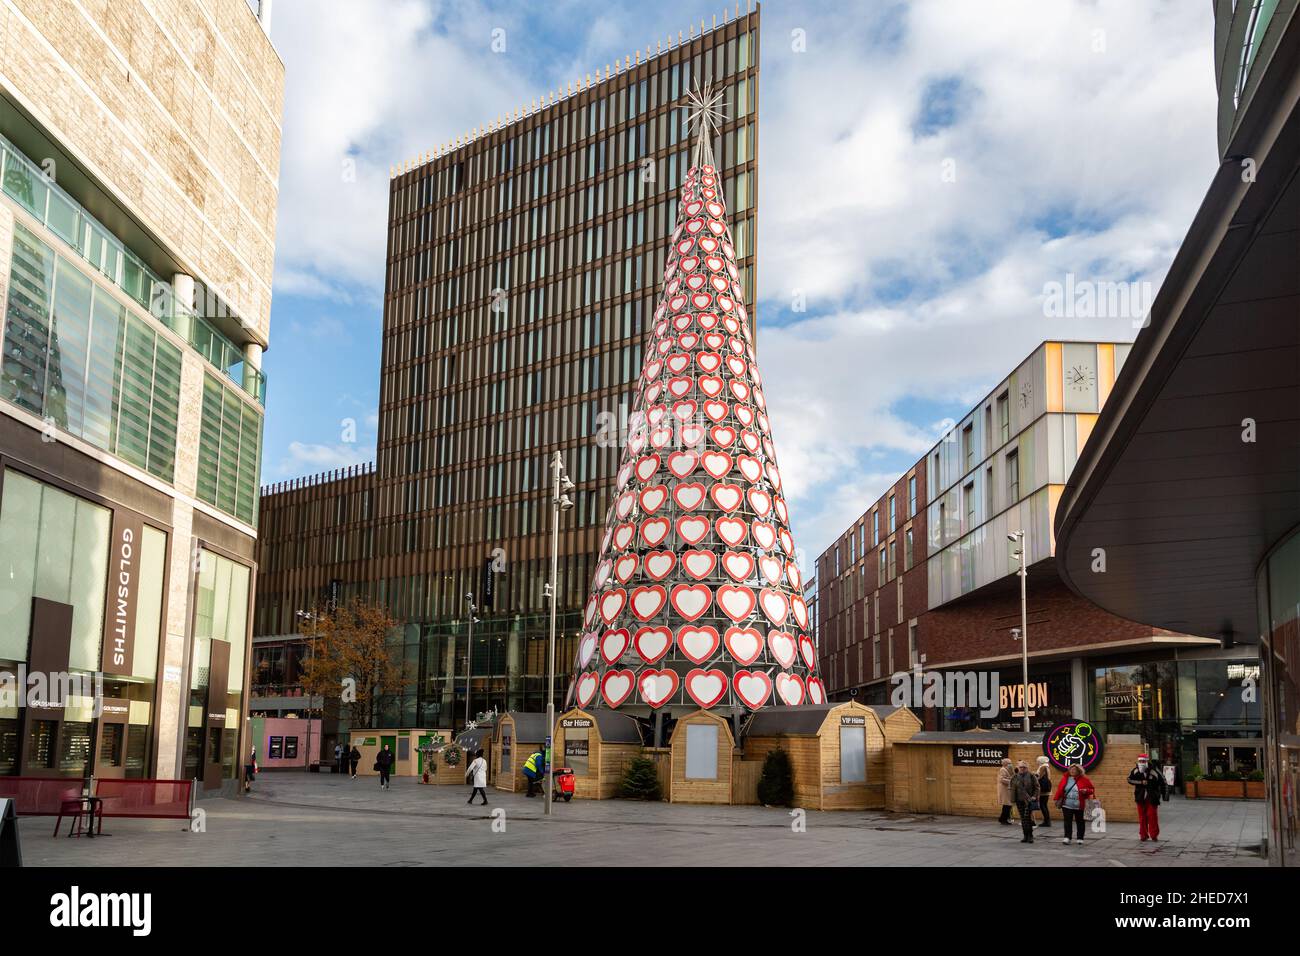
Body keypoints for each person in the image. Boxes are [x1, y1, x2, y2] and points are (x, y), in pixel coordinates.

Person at [1053, 763, 1096, 845]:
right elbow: (1060, 789)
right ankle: (1067, 837)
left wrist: (1085, 791)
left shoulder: (1085, 779)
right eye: (1071, 770)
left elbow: (1092, 790)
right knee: (1067, 822)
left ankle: (1080, 838)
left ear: (1079, 771)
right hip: (1067, 804)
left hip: (1080, 805)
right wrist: (1056, 799)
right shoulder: (1065, 778)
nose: (1072, 771)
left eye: (1074, 770)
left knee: (1080, 822)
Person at [1128, 753, 1164, 842]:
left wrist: (1151, 783)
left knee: (1152, 816)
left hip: (1152, 797)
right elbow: (1129, 780)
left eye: (1143, 761)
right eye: (1140, 761)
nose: (1141, 763)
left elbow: (1162, 781)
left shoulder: (1154, 770)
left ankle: (1154, 835)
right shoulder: (1135, 771)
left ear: (1147, 761)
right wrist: (1140, 782)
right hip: (1140, 797)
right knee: (1142, 817)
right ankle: (1143, 835)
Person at [1010, 760, 1041, 843]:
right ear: (1018, 768)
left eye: (1024, 767)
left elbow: (1037, 787)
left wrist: (1034, 796)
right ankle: (1025, 835)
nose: (1022, 768)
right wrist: (1012, 800)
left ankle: (1030, 836)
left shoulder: (1031, 776)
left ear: (1027, 768)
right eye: (1021, 767)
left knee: (1027, 818)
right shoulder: (1015, 777)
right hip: (1019, 800)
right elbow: (1012, 789)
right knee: (1023, 818)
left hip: (1029, 800)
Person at [1035, 755, 1053, 829]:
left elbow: (1039, 777)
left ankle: (1047, 821)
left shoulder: (1042, 767)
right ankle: (1047, 821)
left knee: (1043, 805)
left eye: (1038, 761)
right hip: (1047, 788)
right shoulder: (1047, 767)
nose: (1037, 762)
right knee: (1044, 805)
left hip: (1043, 789)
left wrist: (1034, 775)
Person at [996, 757, 1014, 824]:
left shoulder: (1006, 769)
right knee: (1007, 805)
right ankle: (1003, 819)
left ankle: (1002, 819)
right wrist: (1011, 781)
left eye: (1011, 763)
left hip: (1006, 789)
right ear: (1005, 763)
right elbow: (1002, 779)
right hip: (1004, 789)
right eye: (1009, 763)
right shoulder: (1003, 769)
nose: (1010, 764)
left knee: (1007, 805)